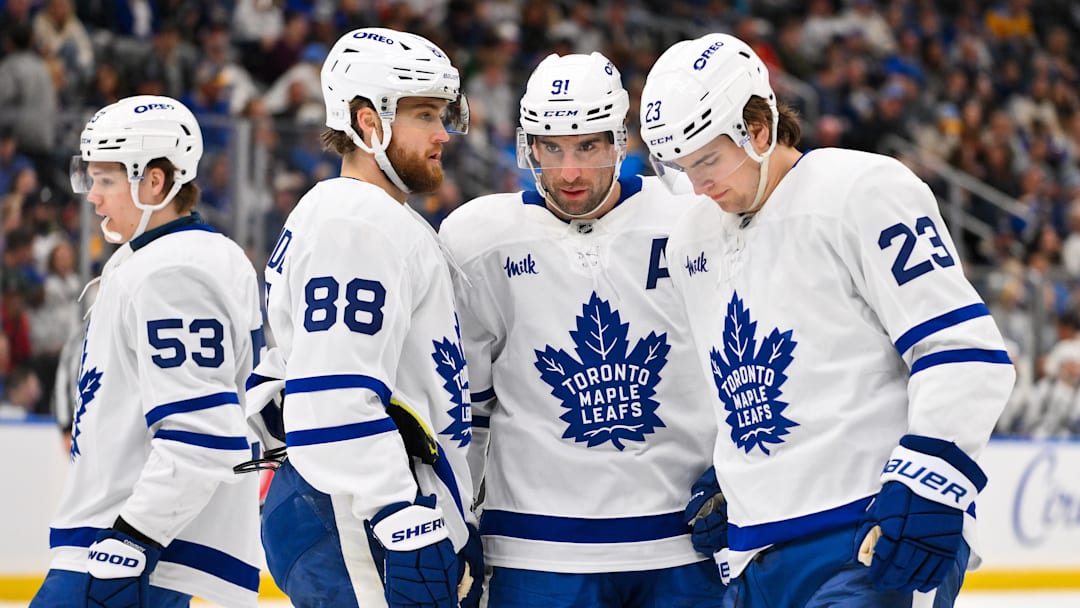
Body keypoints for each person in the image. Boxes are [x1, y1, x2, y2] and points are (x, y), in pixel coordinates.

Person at [638, 33, 1016, 607]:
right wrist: (736, 469)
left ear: (758, 128)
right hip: (752, 557)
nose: (698, 184)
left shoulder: (865, 190)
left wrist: (931, 482)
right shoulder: (695, 235)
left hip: (867, 540)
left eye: (709, 159)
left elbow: (961, 350)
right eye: (683, 167)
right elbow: (736, 378)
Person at [439, 52, 726, 607]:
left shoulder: (695, 223)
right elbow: (463, 411)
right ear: (529, 146)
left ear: (620, 141)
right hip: (536, 548)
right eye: (552, 148)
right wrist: (453, 518)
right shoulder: (479, 241)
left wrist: (740, 472)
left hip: (684, 544)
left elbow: (739, 368)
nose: (568, 172)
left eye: (587, 146)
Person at [250, 27, 482, 608]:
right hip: (351, 513)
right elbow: (335, 392)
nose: (440, 134)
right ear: (368, 121)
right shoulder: (357, 222)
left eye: (443, 115)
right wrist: (402, 520)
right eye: (424, 115)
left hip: (350, 505)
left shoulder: (364, 214)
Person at [30, 95, 264, 607]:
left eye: (106, 180)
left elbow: (200, 435)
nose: (93, 197)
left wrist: (131, 538)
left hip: (124, 558)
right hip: (141, 554)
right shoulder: (174, 258)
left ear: (154, 181)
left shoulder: (172, 272)